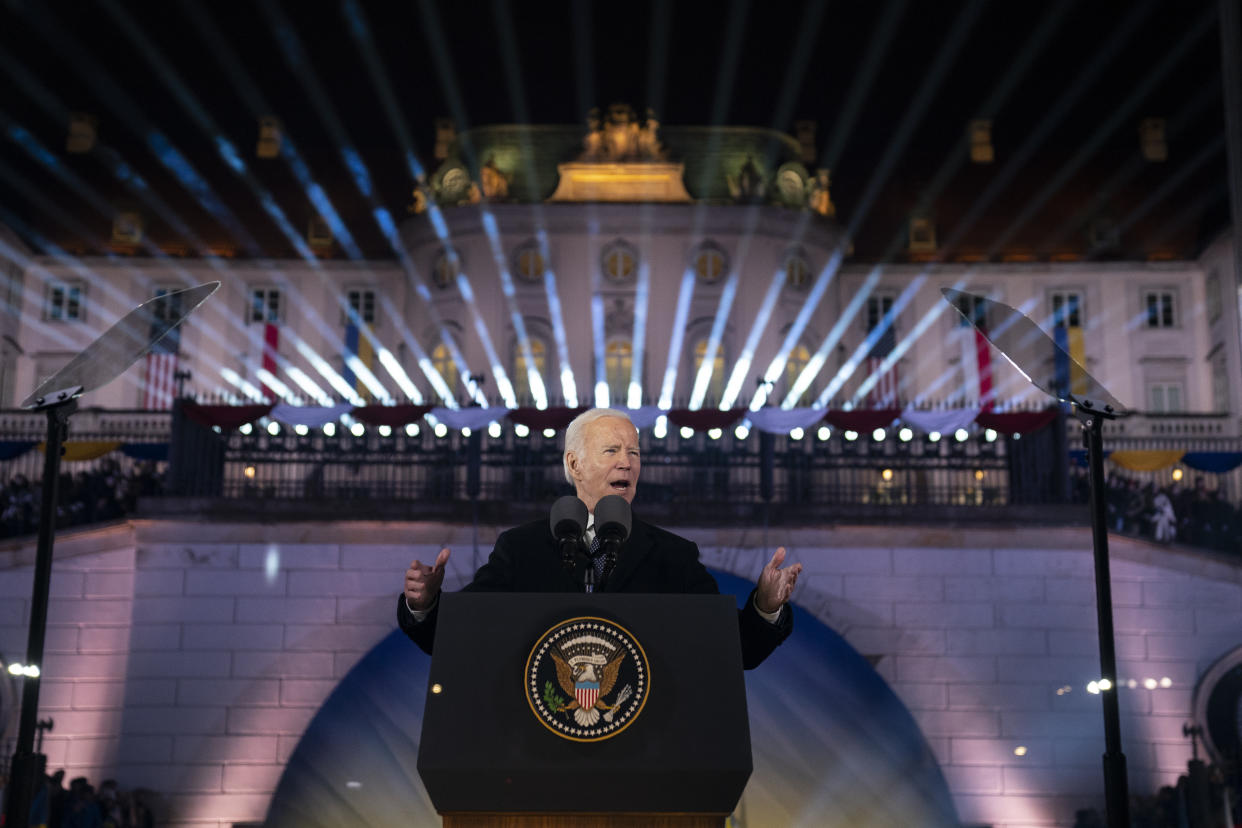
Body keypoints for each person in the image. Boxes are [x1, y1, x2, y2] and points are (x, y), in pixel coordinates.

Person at [398, 408, 802, 669]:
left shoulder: (673, 557)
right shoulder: (521, 550)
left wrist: (765, 607)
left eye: (635, 452)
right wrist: (425, 606)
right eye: (611, 450)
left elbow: (734, 651)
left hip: (647, 762)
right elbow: (459, 638)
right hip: (539, 761)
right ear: (574, 463)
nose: (626, 461)